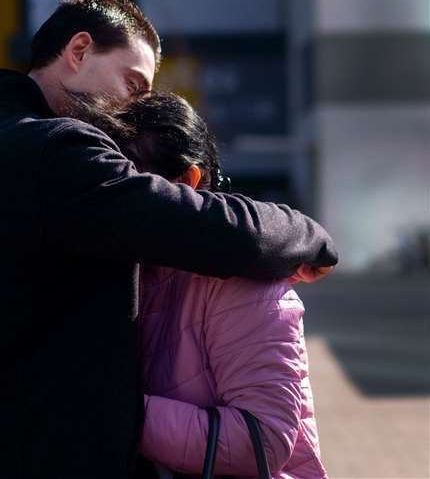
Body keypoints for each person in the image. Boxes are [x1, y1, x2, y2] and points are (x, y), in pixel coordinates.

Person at [0, 0, 337, 479]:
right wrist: (306, 232)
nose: (131, 109)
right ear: (78, 52)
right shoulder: (56, 147)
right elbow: (207, 229)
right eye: (133, 84)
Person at [76, 92, 328, 478]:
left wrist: (114, 413)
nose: (118, 200)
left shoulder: (242, 281)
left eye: (133, 181)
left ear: (188, 181)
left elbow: (263, 441)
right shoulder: (128, 265)